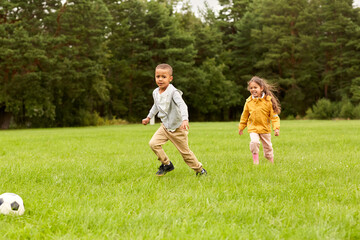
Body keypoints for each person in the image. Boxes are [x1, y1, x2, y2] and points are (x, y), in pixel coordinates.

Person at [142, 63, 207, 176]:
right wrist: (148, 117)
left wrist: (185, 119)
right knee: (153, 144)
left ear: (170, 78)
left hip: (178, 128)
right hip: (165, 127)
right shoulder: (155, 92)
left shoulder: (173, 92)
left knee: (185, 154)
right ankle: (167, 164)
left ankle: (200, 170)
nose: (160, 79)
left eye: (164, 76)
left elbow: (182, 105)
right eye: (158, 76)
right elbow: (156, 106)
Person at [238, 76, 281, 164]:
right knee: (254, 142)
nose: (253, 89)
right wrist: (241, 127)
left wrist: (276, 128)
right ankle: (255, 162)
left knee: (268, 148)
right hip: (253, 128)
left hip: (265, 129)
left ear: (261, 88)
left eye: (255, 87)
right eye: (251, 88)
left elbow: (274, 117)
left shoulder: (268, 101)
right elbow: (244, 115)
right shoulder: (248, 102)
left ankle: (271, 162)